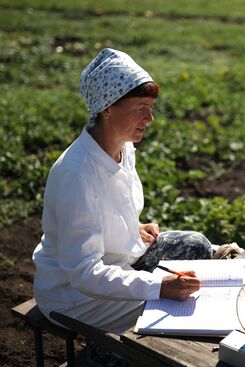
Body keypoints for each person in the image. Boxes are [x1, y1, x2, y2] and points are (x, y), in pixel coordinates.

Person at [32, 48, 213, 337]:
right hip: (75, 296)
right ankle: (106, 356)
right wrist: (158, 287)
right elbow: (83, 272)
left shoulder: (124, 149)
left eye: (151, 107)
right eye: (140, 108)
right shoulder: (76, 174)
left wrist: (133, 227)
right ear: (107, 108)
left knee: (196, 245)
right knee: (172, 307)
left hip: (115, 264)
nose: (150, 118)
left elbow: (107, 210)